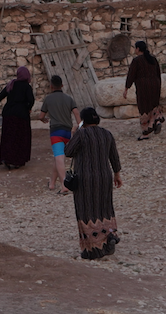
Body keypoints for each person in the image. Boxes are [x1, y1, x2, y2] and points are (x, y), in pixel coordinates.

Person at [65, 107, 122, 260]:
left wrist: (73, 133)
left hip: (85, 179)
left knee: (86, 210)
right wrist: (117, 174)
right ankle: (109, 235)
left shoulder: (82, 135)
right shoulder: (106, 134)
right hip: (104, 177)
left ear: (83, 121)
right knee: (105, 207)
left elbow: (68, 151)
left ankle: (93, 248)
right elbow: (114, 156)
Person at [40, 75, 81, 194]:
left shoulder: (48, 99)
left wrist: (44, 119)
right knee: (58, 157)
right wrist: (80, 126)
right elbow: (76, 112)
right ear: (62, 85)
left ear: (51, 86)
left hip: (56, 132)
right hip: (67, 132)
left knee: (59, 157)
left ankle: (64, 184)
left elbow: (41, 116)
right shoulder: (69, 98)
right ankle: (52, 183)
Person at [0, 66, 35, 170]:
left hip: (8, 114)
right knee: (20, 138)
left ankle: (7, 159)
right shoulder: (26, 87)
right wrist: (28, 108)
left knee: (8, 137)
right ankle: (17, 161)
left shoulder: (11, 84)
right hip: (21, 115)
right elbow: (31, 100)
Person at [123, 41, 164, 140]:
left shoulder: (137, 61)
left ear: (137, 49)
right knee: (154, 105)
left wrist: (126, 89)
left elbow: (131, 75)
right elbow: (158, 73)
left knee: (144, 108)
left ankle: (145, 132)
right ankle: (157, 120)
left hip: (143, 87)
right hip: (155, 85)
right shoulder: (153, 59)